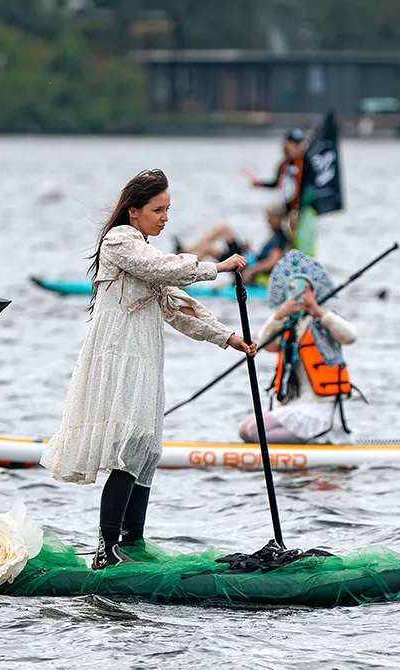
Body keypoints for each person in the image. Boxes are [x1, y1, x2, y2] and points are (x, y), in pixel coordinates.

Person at [40, 169, 256, 569]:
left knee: (144, 449)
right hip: (119, 357)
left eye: (169, 209)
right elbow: (163, 270)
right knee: (127, 446)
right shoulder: (120, 241)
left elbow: (180, 309)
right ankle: (107, 550)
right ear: (134, 211)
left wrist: (229, 338)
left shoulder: (147, 254)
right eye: (158, 210)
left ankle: (132, 542)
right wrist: (217, 267)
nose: (165, 218)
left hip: (145, 360)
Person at [238, 252, 357, 446]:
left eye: (306, 290)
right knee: (244, 429)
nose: (301, 295)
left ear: (315, 292)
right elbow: (264, 344)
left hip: (318, 410)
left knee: (254, 433)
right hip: (293, 407)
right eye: (293, 290)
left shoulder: (323, 321)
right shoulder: (288, 325)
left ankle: (315, 443)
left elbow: (351, 336)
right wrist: (278, 316)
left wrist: (318, 312)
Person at [242, 129, 317, 256]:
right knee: (271, 213)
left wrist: (297, 211)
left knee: (298, 236)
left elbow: (310, 189)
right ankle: (277, 245)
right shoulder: (284, 164)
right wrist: (259, 183)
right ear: (287, 144)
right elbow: (276, 183)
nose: (297, 147)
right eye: (293, 144)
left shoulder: (306, 163)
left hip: (300, 207)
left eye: (299, 144)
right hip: (287, 205)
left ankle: (295, 254)